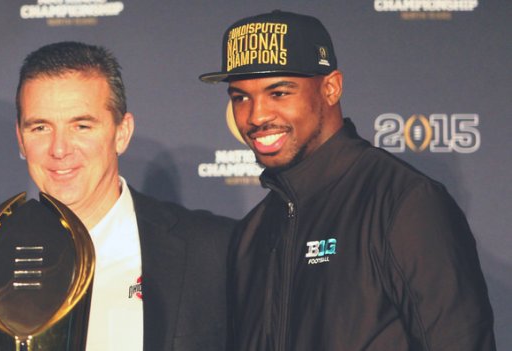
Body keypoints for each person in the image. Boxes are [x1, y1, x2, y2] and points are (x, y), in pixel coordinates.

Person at [199, 10, 496, 350]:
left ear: (331, 87)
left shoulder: (405, 202)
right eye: (241, 97)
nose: (257, 115)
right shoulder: (252, 233)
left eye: (279, 92)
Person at [15, 41, 234, 350]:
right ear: (21, 140)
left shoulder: (213, 250)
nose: (59, 149)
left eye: (81, 126)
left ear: (122, 133)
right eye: (40, 128)